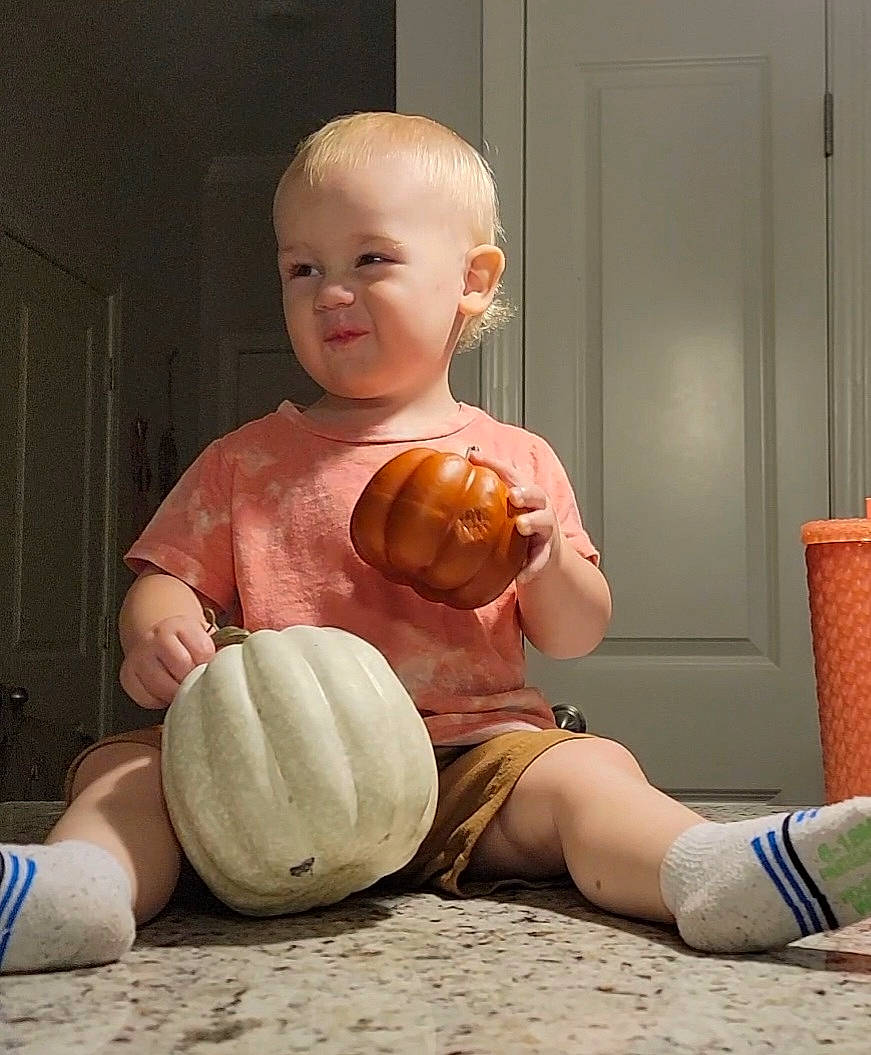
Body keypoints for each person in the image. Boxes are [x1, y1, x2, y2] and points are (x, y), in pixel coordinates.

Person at [2, 111, 870, 975]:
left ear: (473, 280)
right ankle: (81, 892)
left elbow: (574, 631)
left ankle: (704, 874)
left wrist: (546, 563)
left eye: (369, 259)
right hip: (272, 777)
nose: (329, 291)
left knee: (588, 773)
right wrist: (155, 629)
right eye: (301, 268)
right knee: (123, 770)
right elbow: (166, 578)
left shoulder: (511, 461)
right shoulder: (244, 462)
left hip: (468, 757)